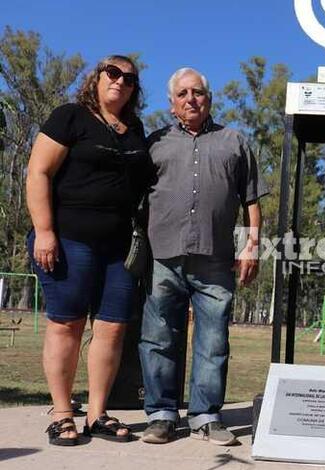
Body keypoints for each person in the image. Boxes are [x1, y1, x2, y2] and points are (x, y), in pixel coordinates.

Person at [139, 67, 267, 446]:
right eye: (183, 94)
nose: (191, 98)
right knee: (159, 337)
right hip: (162, 255)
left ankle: (206, 416)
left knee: (213, 340)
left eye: (198, 92)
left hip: (216, 258)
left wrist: (252, 245)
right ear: (172, 103)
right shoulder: (155, 143)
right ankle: (161, 415)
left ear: (209, 98)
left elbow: (251, 200)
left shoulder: (234, 142)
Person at [26, 55, 148, 445]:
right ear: (96, 78)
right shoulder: (70, 117)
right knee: (68, 323)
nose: (121, 81)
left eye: (129, 78)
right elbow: (38, 172)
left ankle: (97, 413)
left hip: (118, 248)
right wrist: (45, 231)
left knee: (112, 328)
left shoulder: (134, 129)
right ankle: (63, 412)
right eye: (113, 73)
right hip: (68, 239)